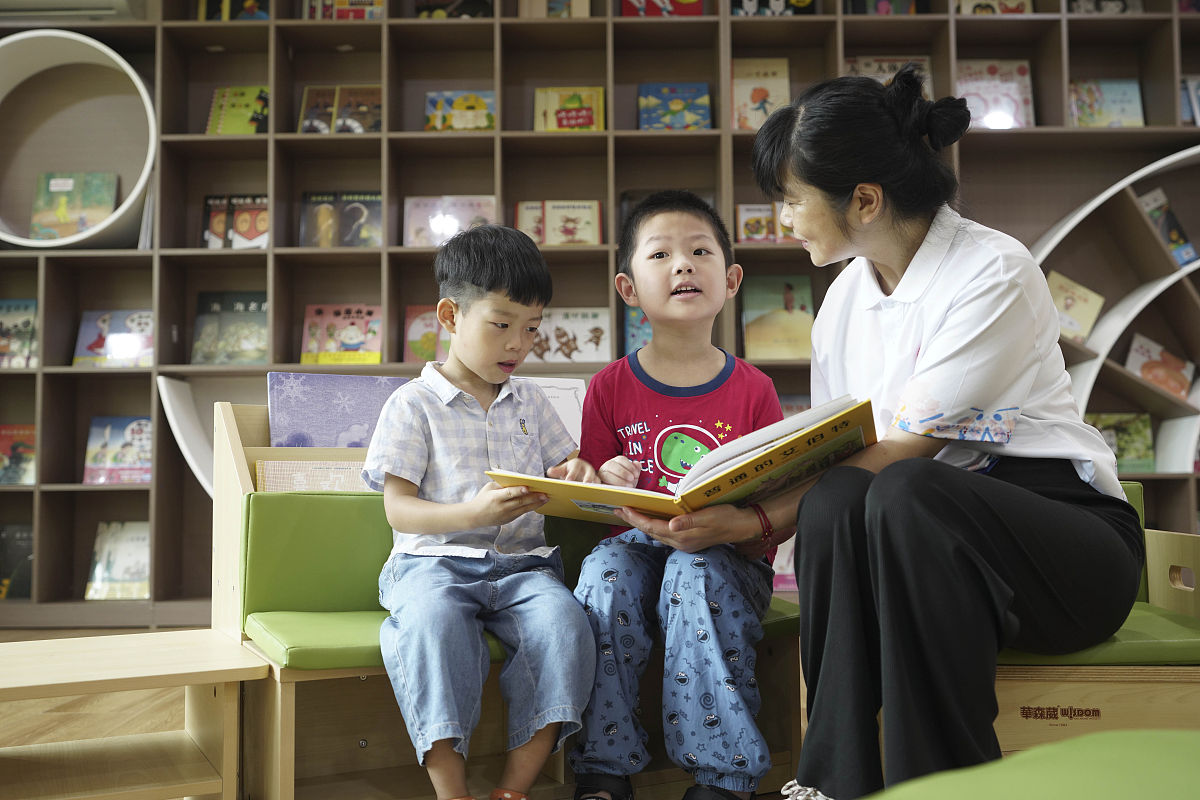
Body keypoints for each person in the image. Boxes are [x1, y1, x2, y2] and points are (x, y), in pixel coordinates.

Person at [614, 65, 1146, 800]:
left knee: (903, 489)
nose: (783, 222)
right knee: (842, 499)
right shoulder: (842, 303)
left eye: (792, 201)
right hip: (925, 551)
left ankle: (945, 785)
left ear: (864, 200)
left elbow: (902, 452)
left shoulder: (991, 271)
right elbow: (838, 462)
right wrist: (740, 511)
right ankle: (833, 780)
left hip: (1064, 549)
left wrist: (751, 522)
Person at [361, 224, 599, 800]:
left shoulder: (531, 401)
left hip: (524, 570)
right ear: (450, 316)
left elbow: (571, 465)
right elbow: (399, 511)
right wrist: (472, 512)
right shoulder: (412, 404)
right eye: (501, 325)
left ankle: (514, 789)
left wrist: (580, 472)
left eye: (533, 329)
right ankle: (452, 792)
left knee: (568, 628)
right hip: (432, 567)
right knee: (432, 626)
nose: (518, 344)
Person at [569, 190, 784, 800]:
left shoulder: (755, 391)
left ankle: (722, 776)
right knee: (604, 573)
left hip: (725, 556)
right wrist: (603, 479)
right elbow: (590, 499)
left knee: (692, 573)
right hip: (635, 544)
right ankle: (604, 767)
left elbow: (771, 505)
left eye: (699, 251)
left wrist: (734, 520)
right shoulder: (609, 386)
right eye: (660, 254)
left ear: (732, 278)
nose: (683, 265)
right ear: (628, 288)